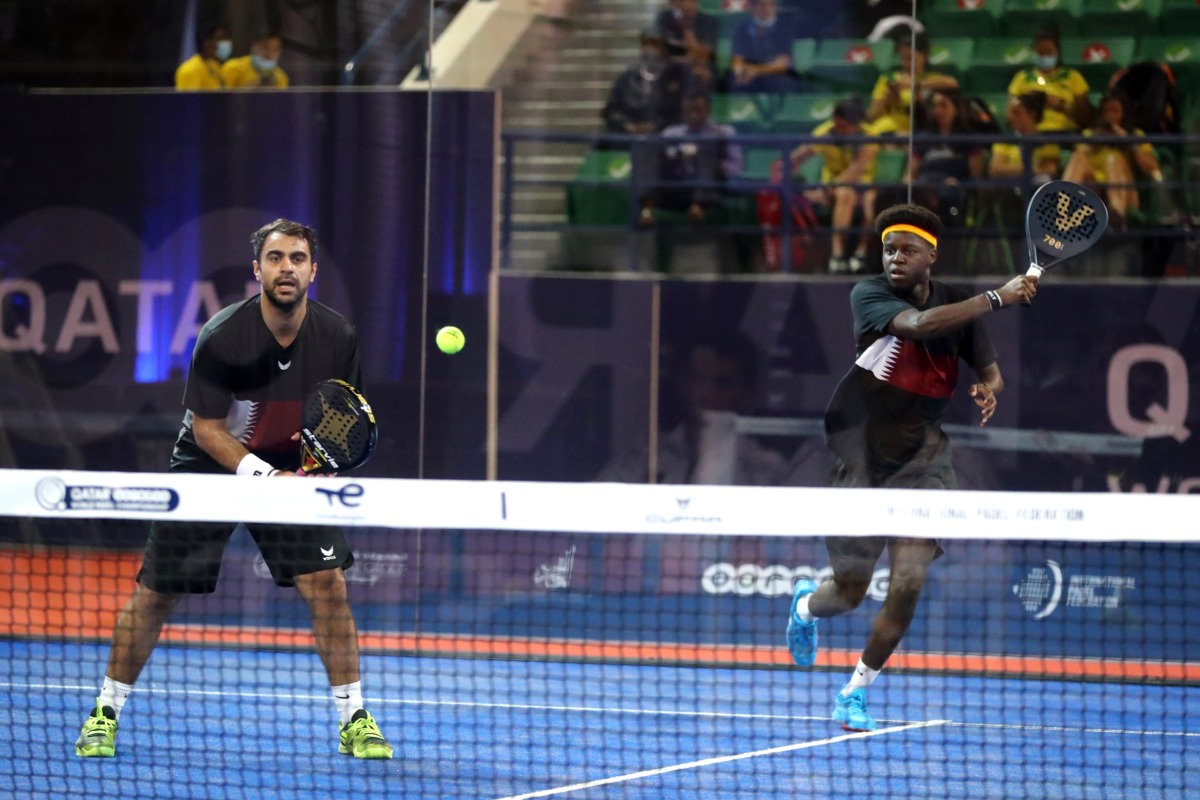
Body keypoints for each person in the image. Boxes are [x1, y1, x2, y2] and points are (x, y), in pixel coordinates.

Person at [74, 219, 393, 760]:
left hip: (289, 472)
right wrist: (262, 477)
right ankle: (105, 712)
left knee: (328, 585)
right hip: (210, 468)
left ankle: (355, 718)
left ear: (313, 271)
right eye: (275, 258)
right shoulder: (224, 335)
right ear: (257, 269)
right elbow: (206, 428)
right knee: (157, 592)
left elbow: (340, 420)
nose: (285, 267)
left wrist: (315, 471)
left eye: (296, 258)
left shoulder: (337, 336)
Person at [785, 204, 1038, 732]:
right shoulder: (870, 295)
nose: (895, 258)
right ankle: (807, 607)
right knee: (849, 593)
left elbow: (993, 376)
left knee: (905, 587)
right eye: (889, 249)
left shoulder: (958, 306)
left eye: (907, 250)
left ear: (931, 257)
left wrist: (987, 391)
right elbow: (919, 327)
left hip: (924, 463)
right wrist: (997, 297)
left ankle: (854, 692)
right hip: (860, 461)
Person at [597, 329, 791, 486]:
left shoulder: (766, 473)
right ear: (680, 381)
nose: (703, 393)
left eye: (721, 383)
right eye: (696, 378)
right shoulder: (641, 459)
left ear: (748, 395)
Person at [789, 98, 886, 273]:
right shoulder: (826, 133)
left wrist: (824, 189)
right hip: (836, 190)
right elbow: (800, 155)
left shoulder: (869, 136)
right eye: (838, 125)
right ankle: (838, 255)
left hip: (862, 187)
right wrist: (788, 167)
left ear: (856, 124)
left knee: (870, 199)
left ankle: (861, 254)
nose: (840, 131)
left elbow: (856, 170)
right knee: (845, 193)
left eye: (845, 127)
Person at [1062, 89, 1163, 230]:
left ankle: (1117, 216)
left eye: (1115, 111)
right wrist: (1093, 143)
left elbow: (1153, 170)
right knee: (1079, 157)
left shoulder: (1136, 135)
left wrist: (1128, 141)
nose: (1110, 116)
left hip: (1126, 193)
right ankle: (1063, 208)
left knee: (1112, 159)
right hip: (1093, 190)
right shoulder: (1089, 134)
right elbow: (1078, 162)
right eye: (1106, 111)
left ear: (1124, 114)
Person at [640, 91, 744, 227]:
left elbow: (736, 167)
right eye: (689, 111)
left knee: (707, 151)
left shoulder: (724, 132)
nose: (694, 115)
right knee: (650, 150)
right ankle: (647, 211)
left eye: (698, 110)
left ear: (708, 110)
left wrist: (707, 161)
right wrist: (681, 157)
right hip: (678, 187)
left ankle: (698, 206)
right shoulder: (671, 133)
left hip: (711, 190)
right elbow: (665, 163)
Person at [910, 88, 986, 222]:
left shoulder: (969, 139)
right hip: (925, 185)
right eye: (935, 106)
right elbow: (911, 173)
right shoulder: (924, 138)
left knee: (947, 194)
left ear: (956, 108)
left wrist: (960, 183)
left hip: (952, 189)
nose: (938, 111)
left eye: (943, 105)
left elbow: (976, 178)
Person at [601, 29, 691, 141]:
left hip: (665, 139)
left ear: (664, 48)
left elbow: (682, 113)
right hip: (628, 139)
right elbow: (611, 111)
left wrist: (656, 127)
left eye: (655, 45)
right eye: (646, 44)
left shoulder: (676, 79)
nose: (650, 49)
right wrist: (628, 126)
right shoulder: (626, 78)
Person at [866, 30, 959, 134]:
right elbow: (871, 116)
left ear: (923, 56)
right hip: (883, 130)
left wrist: (914, 85)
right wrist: (887, 100)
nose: (906, 63)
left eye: (910, 58)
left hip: (913, 135)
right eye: (903, 58)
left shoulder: (932, 79)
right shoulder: (889, 78)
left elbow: (953, 83)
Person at [1006, 24, 1090, 133]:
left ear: (1057, 53)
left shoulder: (1073, 77)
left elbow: (1085, 118)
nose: (1044, 56)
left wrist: (1060, 106)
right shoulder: (1021, 78)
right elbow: (1009, 119)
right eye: (1040, 52)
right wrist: (1025, 105)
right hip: (1032, 136)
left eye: (1049, 52)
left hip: (1066, 136)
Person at [728, 0, 801, 94]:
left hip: (777, 74)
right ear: (752, 7)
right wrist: (738, 73)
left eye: (771, 5)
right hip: (750, 73)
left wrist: (756, 71)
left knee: (778, 80)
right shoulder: (741, 29)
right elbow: (737, 58)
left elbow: (782, 62)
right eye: (762, 5)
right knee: (731, 80)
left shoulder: (784, 27)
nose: (767, 9)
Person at [988, 91, 1062, 184]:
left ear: (1032, 114)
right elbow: (996, 169)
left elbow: (1050, 170)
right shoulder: (1004, 141)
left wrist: (1010, 169)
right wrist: (1028, 168)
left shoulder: (1048, 142)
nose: (1011, 117)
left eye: (1017, 113)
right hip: (1010, 188)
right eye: (1011, 113)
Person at [655, 0, 718, 70]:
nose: (686, 4)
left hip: (700, 67)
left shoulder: (709, 21)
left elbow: (705, 55)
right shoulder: (664, 18)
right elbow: (659, 49)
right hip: (670, 67)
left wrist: (688, 23)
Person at [174, 23, 232, 90]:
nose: (226, 43)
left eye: (226, 38)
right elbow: (189, 99)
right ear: (207, 42)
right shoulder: (190, 70)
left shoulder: (214, 65)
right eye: (221, 38)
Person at [221, 32, 289, 88]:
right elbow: (221, 98)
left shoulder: (280, 76)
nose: (270, 53)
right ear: (254, 46)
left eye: (275, 49)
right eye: (265, 47)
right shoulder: (232, 68)